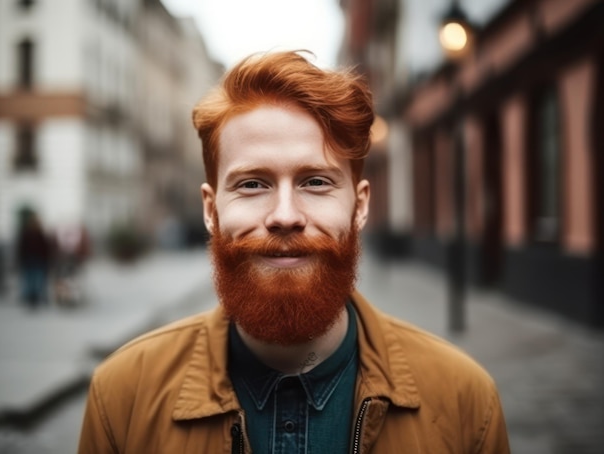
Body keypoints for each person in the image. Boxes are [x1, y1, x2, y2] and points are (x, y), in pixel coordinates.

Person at [78, 51, 510, 453]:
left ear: (359, 207)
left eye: (315, 182)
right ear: (210, 210)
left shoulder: (464, 401)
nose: (285, 216)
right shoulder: (123, 397)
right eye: (252, 184)